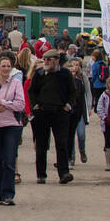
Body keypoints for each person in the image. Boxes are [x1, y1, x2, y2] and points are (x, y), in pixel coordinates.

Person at [28, 51, 76, 184]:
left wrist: (68, 105)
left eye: (50, 59)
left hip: (60, 112)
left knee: (61, 143)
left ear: (57, 60)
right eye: (45, 59)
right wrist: (35, 105)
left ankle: (64, 173)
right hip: (42, 112)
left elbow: (73, 91)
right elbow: (32, 91)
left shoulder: (65, 74)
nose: (47, 61)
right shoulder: (39, 74)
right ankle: (41, 174)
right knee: (41, 144)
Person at [0, 55, 24, 205]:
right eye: (3, 66)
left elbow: (20, 104)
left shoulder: (16, 83)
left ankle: (8, 193)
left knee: (9, 160)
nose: (6, 69)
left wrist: (3, 103)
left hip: (11, 125)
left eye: (9, 66)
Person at [67, 57, 91, 166]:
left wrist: (89, 108)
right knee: (70, 135)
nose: (75, 67)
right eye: (73, 65)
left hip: (80, 110)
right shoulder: (66, 78)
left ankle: (82, 150)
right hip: (69, 110)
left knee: (81, 134)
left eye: (77, 65)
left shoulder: (83, 77)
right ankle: (71, 157)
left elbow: (88, 92)